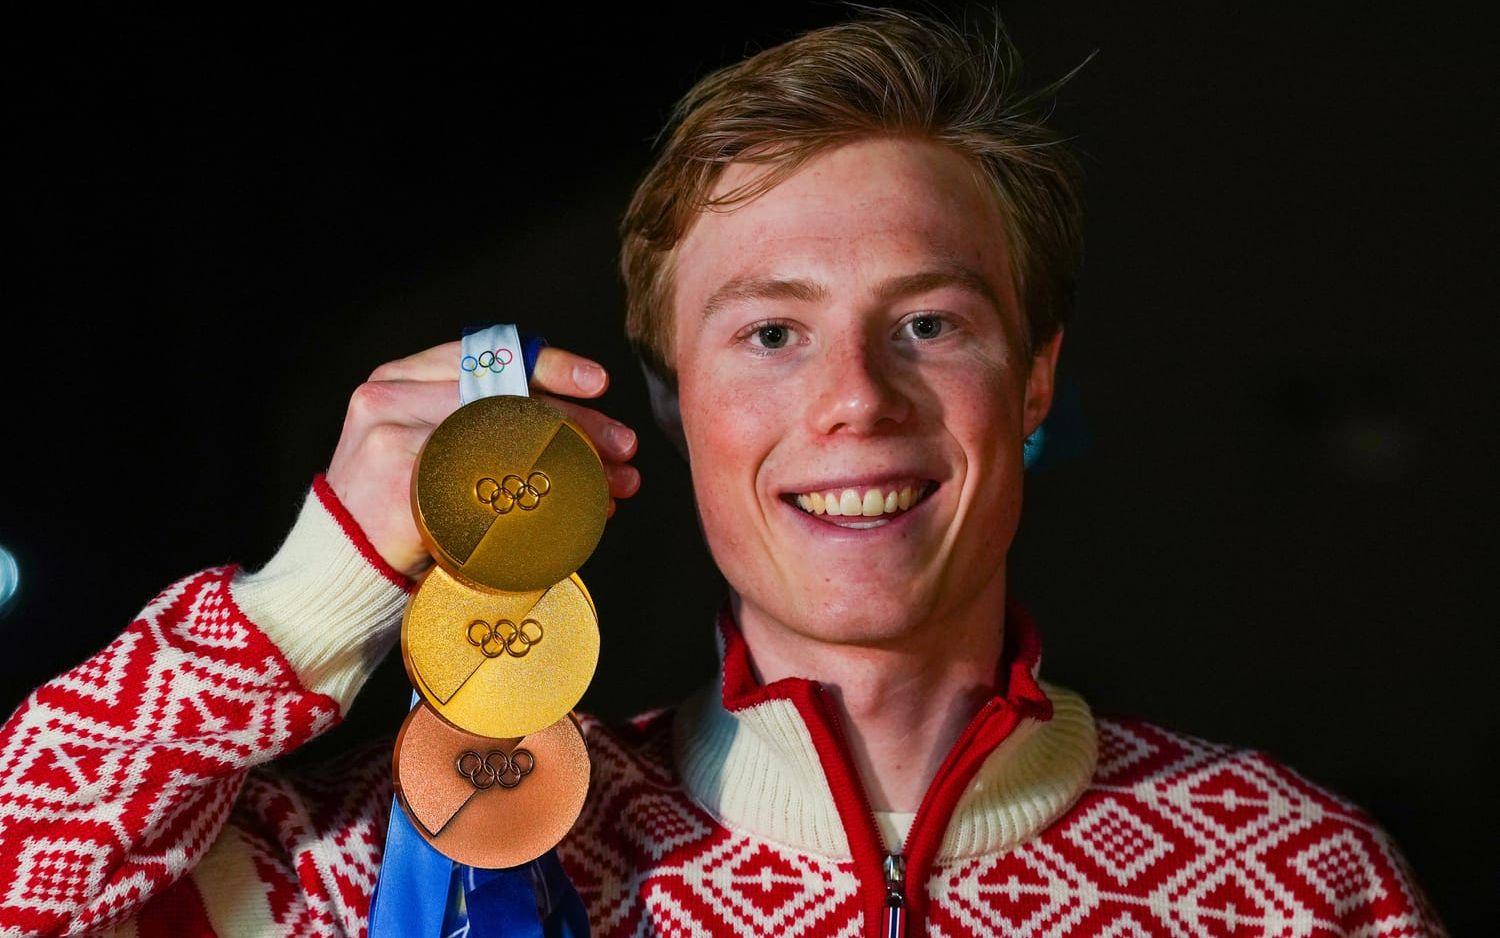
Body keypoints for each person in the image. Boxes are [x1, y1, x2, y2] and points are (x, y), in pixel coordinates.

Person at [0, 7, 1446, 937]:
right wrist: (309, 598)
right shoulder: (392, 860)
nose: (855, 400)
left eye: (930, 324)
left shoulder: (1300, 876)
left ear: (1035, 380)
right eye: (770, 333)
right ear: (675, 402)